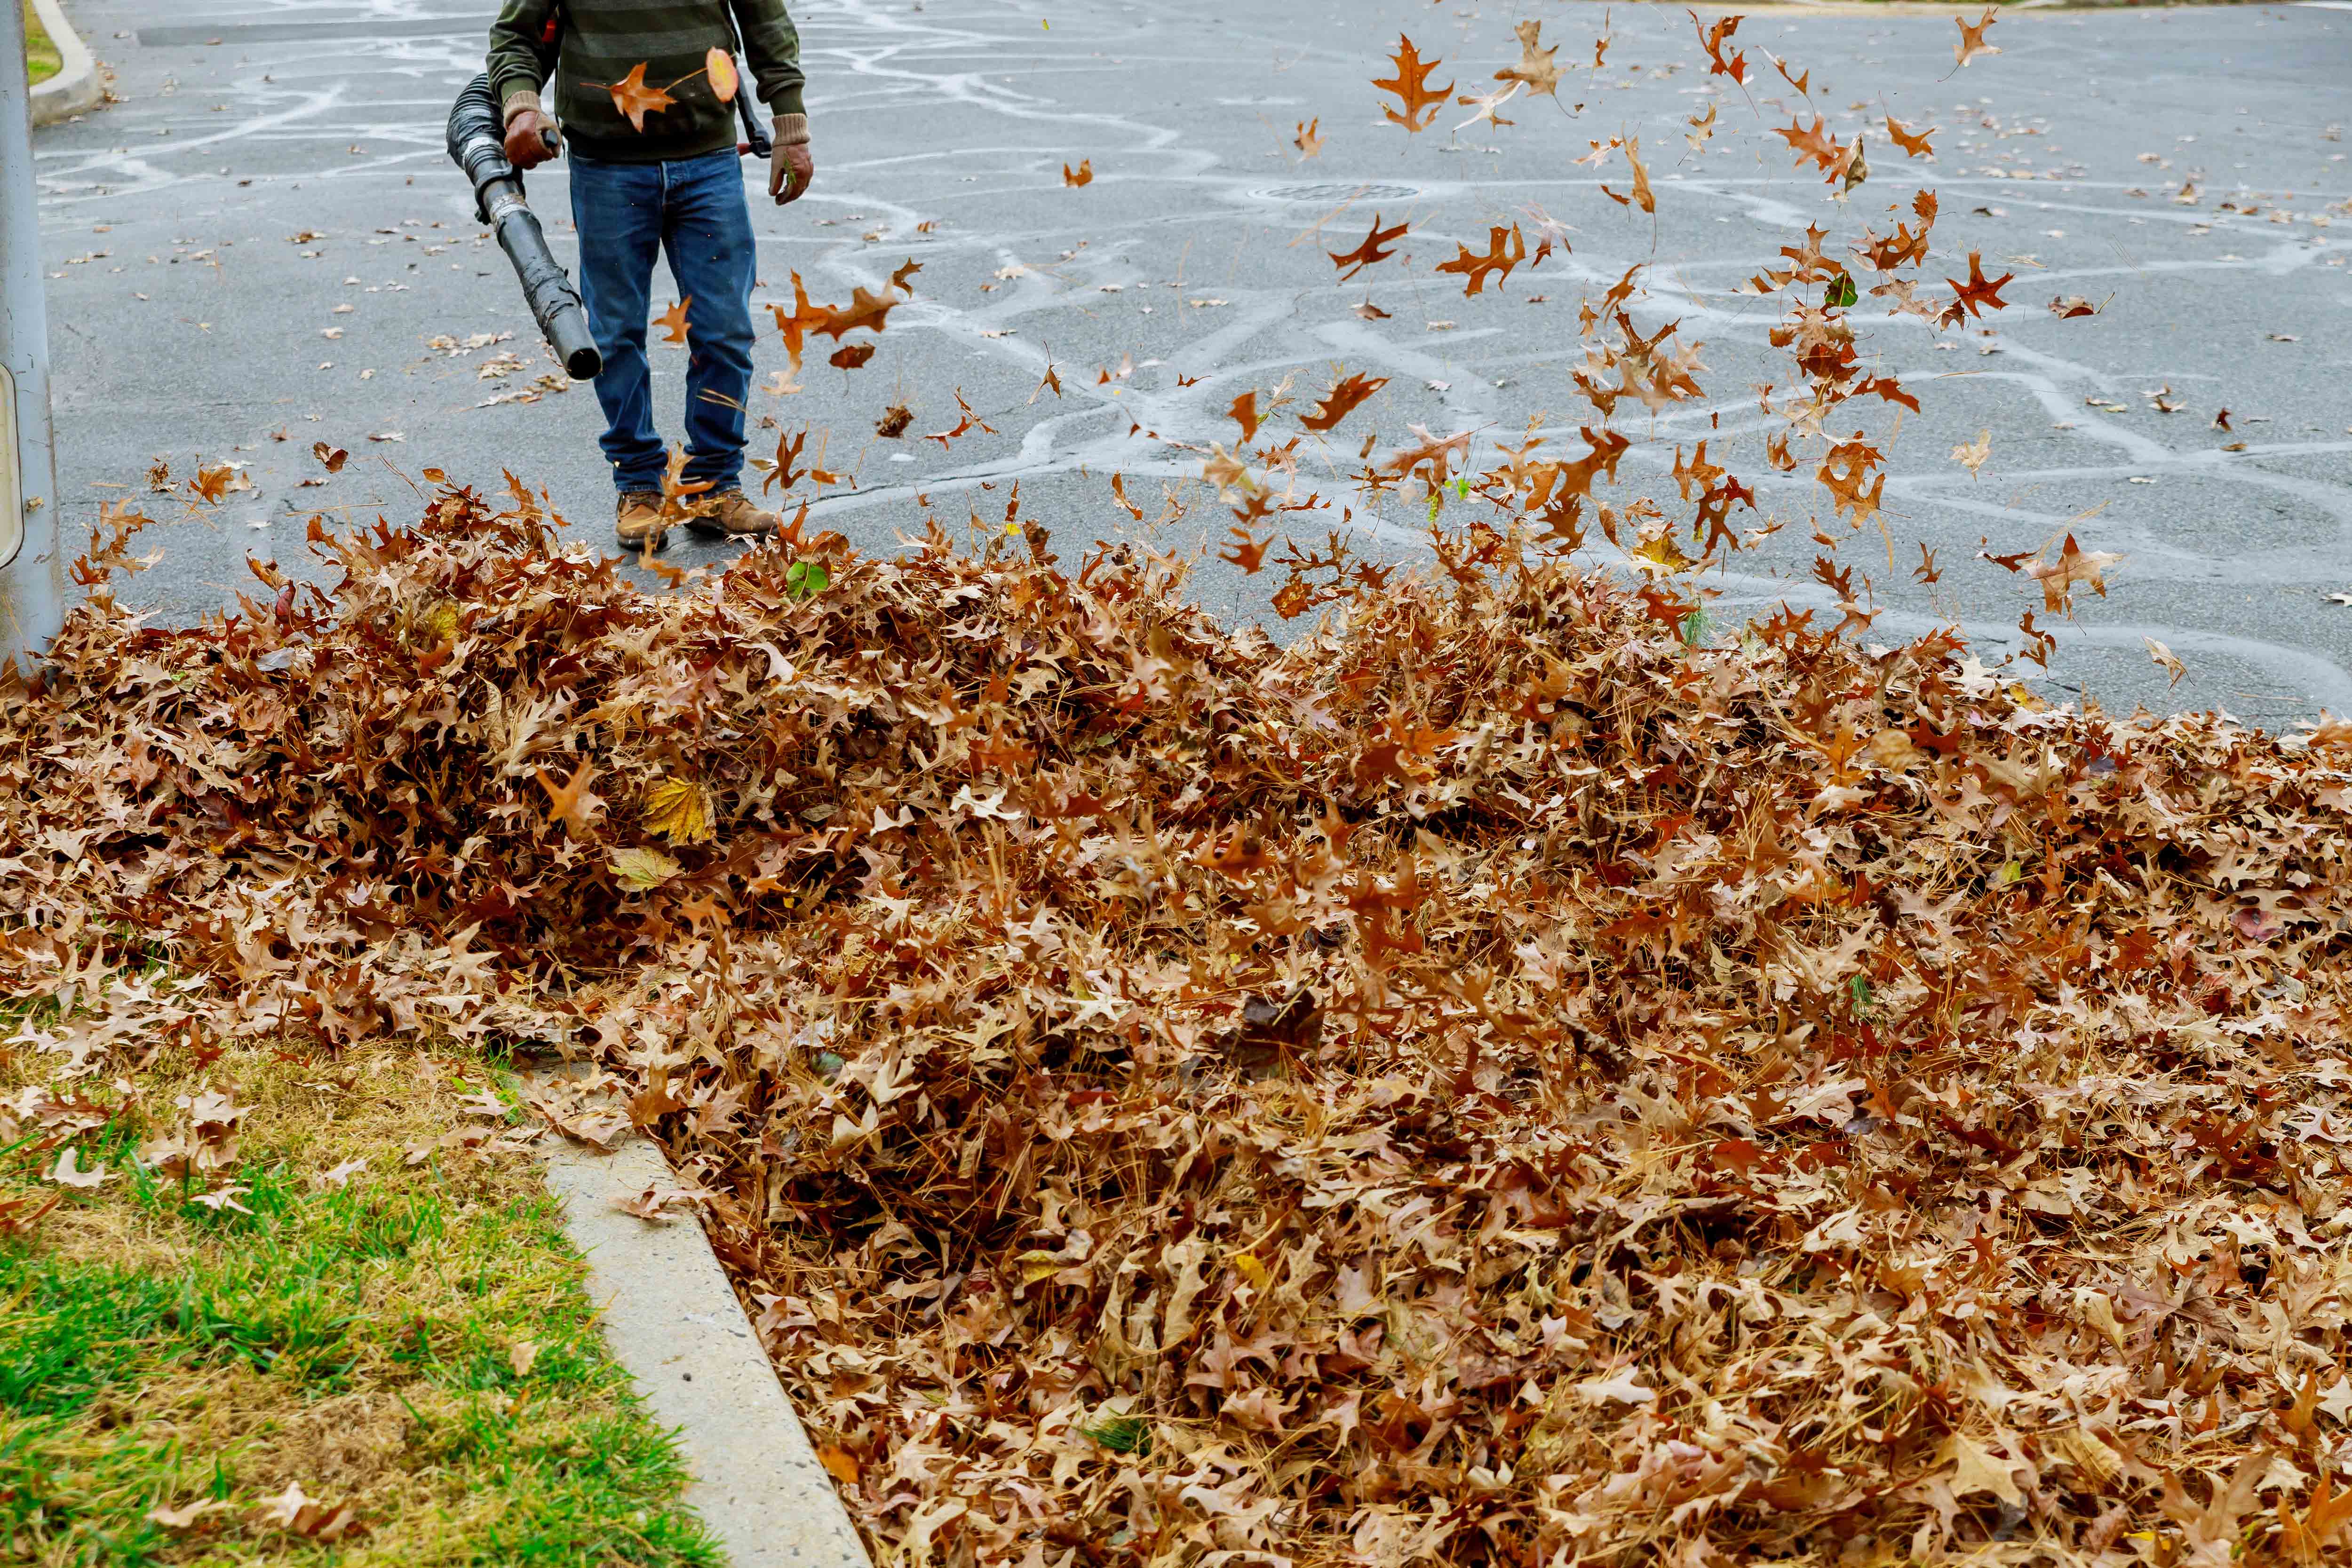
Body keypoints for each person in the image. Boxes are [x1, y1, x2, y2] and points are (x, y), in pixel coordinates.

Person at [486, 0, 815, 551]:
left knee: (724, 329)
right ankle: (638, 485)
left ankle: (713, 486)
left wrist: (791, 126)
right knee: (614, 335)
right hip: (606, 165)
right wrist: (521, 106)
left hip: (707, 158)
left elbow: (766, 23)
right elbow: (515, 36)